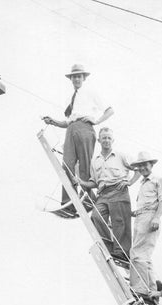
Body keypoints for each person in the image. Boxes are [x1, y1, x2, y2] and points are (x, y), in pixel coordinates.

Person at [42, 63, 114, 216]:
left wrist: (97, 121)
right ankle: (69, 201)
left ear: (84, 78)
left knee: (84, 166)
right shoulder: (70, 97)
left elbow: (110, 110)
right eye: (74, 76)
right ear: (71, 79)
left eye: (79, 76)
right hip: (71, 129)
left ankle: (88, 198)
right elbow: (68, 122)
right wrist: (53, 121)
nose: (76, 79)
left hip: (85, 129)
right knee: (67, 165)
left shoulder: (91, 92)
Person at [78, 128, 137, 263]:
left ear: (113, 140)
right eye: (104, 138)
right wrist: (81, 182)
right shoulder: (95, 161)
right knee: (96, 217)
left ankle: (121, 252)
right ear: (99, 140)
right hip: (103, 194)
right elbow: (94, 181)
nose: (106, 140)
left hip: (119, 191)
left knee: (119, 222)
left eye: (109, 138)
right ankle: (109, 247)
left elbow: (137, 169)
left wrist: (130, 182)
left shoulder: (121, 156)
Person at [129, 152, 162, 298]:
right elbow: (147, 203)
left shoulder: (157, 180)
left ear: (151, 165)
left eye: (145, 164)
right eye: (139, 165)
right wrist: (136, 213)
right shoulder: (143, 183)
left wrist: (157, 218)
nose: (142, 168)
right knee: (144, 255)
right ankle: (151, 287)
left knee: (137, 253)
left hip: (149, 218)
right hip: (141, 217)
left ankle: (140, 288)